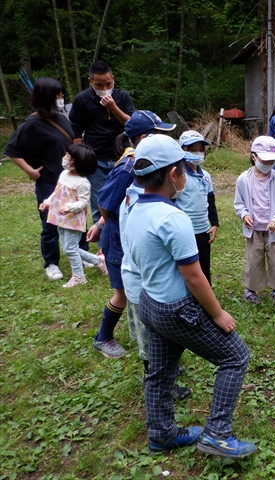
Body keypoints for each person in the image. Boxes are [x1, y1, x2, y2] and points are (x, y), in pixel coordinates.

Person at [125, 134, 255, 457]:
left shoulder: (132, 209)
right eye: (183, 167)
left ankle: (162, 434)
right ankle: (218, 434)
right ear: (173, 174)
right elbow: (194, 276)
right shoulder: (173, 218)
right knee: (236, 356)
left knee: (159, 371)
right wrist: (217, 313)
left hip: (149, 303)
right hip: (176, 308)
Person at [88, 110, 176, 359]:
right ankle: (103, 337)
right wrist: (104, 222)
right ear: (146, 138)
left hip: (131, 231)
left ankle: (137, 333)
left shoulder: (144, 162)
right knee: (124, 292)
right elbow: (106, 202)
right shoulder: (130, 166)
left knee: (132, 289)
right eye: (161, 135)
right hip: (120, 236)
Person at [119, 181, 193, 401]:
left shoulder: (134, 198)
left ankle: (164, 371)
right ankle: (155, 379)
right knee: (152, 343)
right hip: (144, 286)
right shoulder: (145, 206)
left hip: (141, 282)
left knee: (158, 340)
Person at [4, 78, 74, 281]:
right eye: (57, 96)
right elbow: (12, 151)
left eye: (62, 95)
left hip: (69, 180)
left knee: (75, 219)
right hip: (48, 182)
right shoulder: (31, 124)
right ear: (46, 98)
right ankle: (51, 263)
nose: (61, 99)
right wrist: (30, 171)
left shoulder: (61, 117)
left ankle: (80, 254)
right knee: (50, 223)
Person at [70, 61, 136, 224]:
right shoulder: (82, 100)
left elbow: (132, 124)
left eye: (109, 83)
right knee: (100, 202)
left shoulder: (122, 96)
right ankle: (103, 245)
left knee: (125, 197)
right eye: (99, 85)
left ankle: (124, 236)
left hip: (122, 158)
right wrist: (80, 157)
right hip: (95, 159)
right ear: (90, 81)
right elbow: (76, 129)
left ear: (113, 79)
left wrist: (113, 107)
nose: (105, 88)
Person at [234, 136, 275, 306]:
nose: (268, 164)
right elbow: (239, 203)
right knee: (253, 259)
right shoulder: (243, 180)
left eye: (271, 161)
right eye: (264, 160)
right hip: (254, 228)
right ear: (254, 157)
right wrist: (244, 215)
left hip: (274, 229)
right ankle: (251, 289)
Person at [39, 144, 108, 287]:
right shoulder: (64, 174)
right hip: (61, 218)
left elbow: (83, 202)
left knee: (70, 248)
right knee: (68, 248)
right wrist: (47, 202)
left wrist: (70, 207)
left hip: (73, 220)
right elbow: (57, 192)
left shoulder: (82, 183)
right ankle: (98, 261)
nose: (65, 158)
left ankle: (79, 276)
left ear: (79, 163)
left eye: (69, 157)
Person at [176, 130, 219, 284]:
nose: (198, 153)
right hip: (184, 230)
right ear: (183, 150)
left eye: (201, 149)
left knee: (203, 266)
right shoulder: (178, 175)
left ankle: (204, 299)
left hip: (203, 230)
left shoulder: (206, 176)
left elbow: (210, 201)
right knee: (185, 266)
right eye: (193, 149)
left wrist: (214, 224)